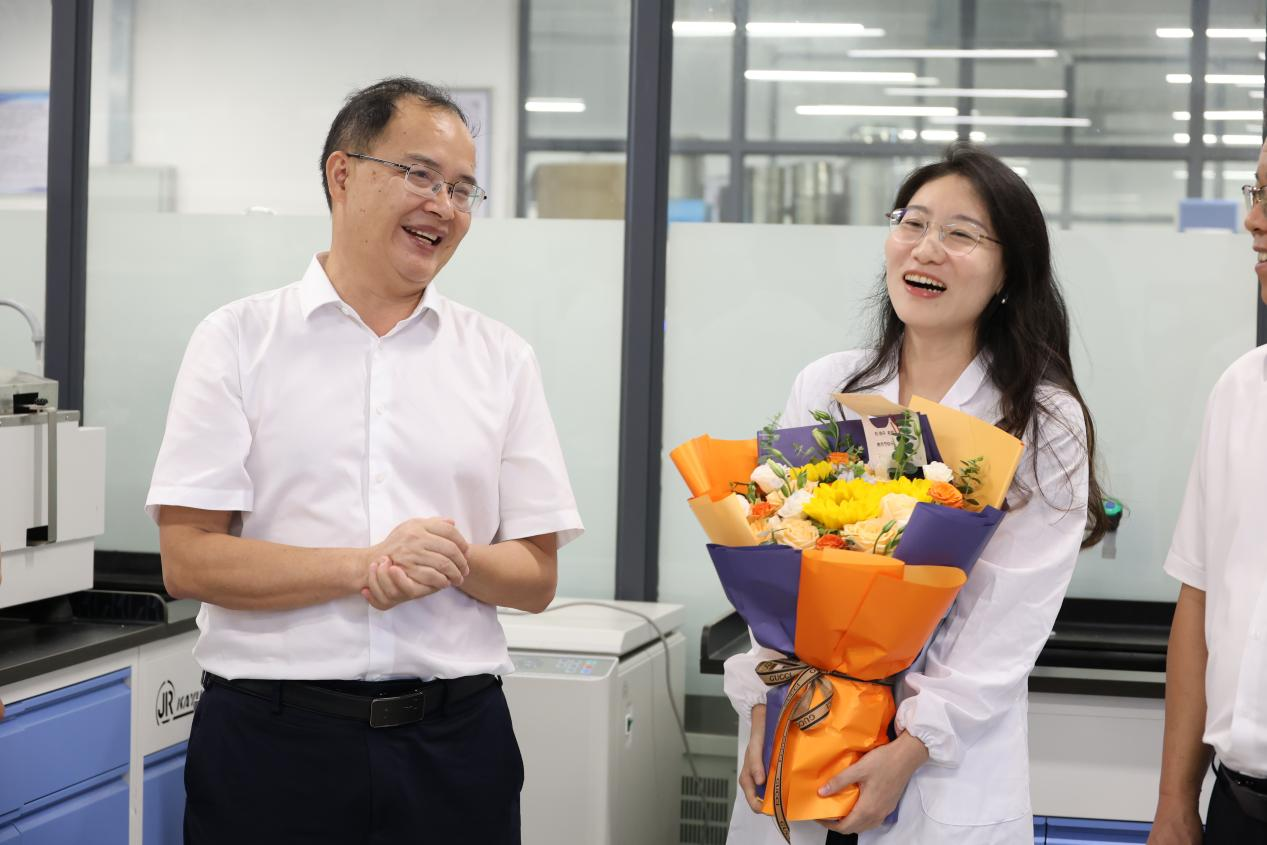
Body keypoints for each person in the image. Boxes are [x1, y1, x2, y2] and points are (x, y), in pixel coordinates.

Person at [147, 77, 582, 844]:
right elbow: (189, 560)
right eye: (420, 175)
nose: (444, 206)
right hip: (271, 747)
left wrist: (446, 559)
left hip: (455, 746)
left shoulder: (500, 358)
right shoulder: (236, 340)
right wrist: (366, 565)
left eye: (462, 189)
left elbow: (535, 576)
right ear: (342, 174)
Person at [723, 142, 1110, 844]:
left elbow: (1009, 616)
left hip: (936, 771)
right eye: (912, 222)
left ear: (1008, 272)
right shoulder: (827, 387)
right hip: (802, 730)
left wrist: (909, 749)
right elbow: (775, 567)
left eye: (961, 234)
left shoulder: (1041, 421)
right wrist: (760, 708)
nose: (926, 248)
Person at [1147, 139, 1267, 845]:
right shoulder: (1241, 390)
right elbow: (1197, 600)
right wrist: (1173, 801)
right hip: (1236, 809)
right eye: (1257, 192)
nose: (1254, 220)